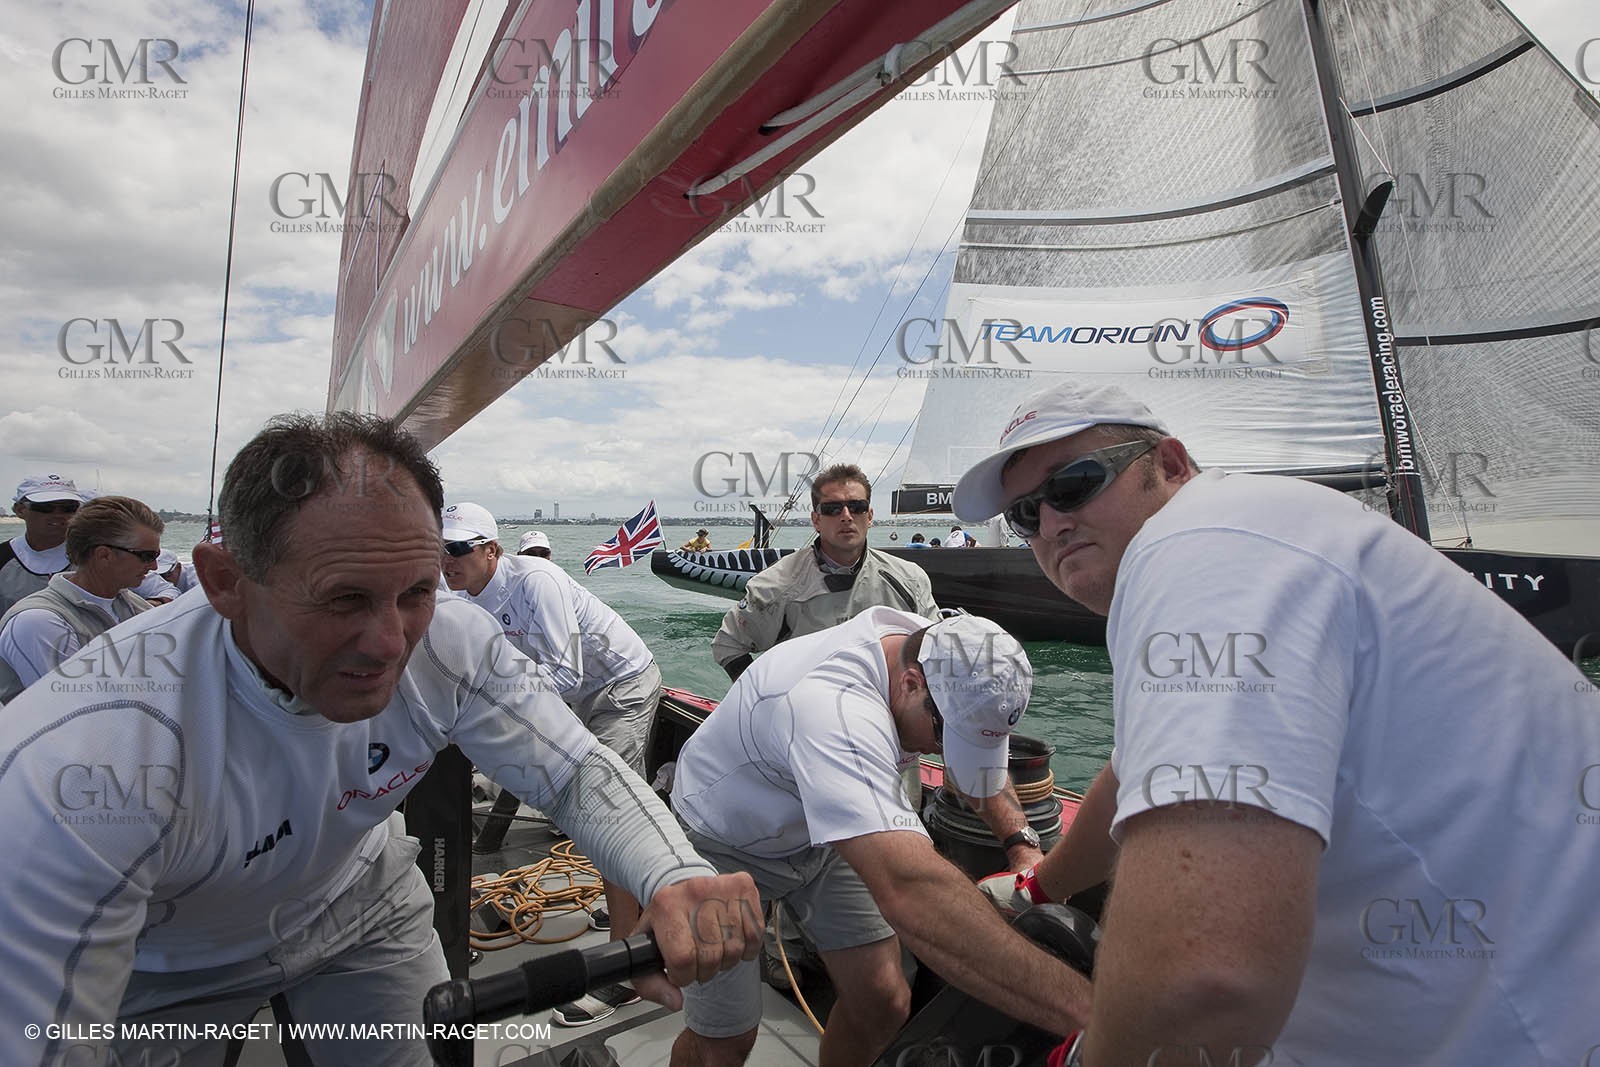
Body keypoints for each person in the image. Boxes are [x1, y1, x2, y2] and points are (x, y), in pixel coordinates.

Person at [0, 413, 760, 1067]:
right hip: (169, 965)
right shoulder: (84, 759)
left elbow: (571, 772)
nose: (391, 640)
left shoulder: (451, 641)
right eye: (344, 598)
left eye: (418, 590)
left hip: (357, 902)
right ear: (225, 580)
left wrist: (673, 871)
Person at [952, 380, 1600, 1065]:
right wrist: (1041, 884)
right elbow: (1130, 767)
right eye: (1025, 514)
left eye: (1075, 483)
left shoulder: (1197, 546)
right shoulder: (1252, 531)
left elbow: (1202, 975)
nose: (1051, 523)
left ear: (1169, 464)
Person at [672, 610, 1088, 1067]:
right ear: (910, 684)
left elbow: (984, 772)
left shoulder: (943, 650)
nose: (946, 754)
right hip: (724, 839)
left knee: (882, 1001)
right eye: (947, 737)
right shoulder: (832, 707)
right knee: (724, 1042)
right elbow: (911, 890)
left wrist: (1023, 845)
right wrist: (1095, 1018)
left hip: (824, 836)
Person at [439, 500, 667, 1027]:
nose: (446, 560)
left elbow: (564, 674)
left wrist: (487, 705)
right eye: (439, 549)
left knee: (611, 818)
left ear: (492, 551)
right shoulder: (463, 599)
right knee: (591, 813)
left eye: (457, 549)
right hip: (577, 697)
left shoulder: (535, 581)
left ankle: (626, 972)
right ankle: (627, 904)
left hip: (620, 688)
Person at [711, 464, 939, 682]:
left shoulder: (909, 579)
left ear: (869, 516)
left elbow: (936, 644)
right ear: (816, 520)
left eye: (857, 507)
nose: (847, 516)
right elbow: (728, 644)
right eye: (833, 509)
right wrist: (762, 700)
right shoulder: (776, 586)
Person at [0, 496, 163, 703]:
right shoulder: (37, 622)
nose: (155, 566)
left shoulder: (132, 605)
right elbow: (76, 706)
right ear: (104, 555)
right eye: (147, 556)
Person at [0, 474, 87, 614]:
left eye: (68, 507)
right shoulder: (3, 557)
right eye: (45, 507)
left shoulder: (95, 556)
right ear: (20, 510)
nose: (58, 514)